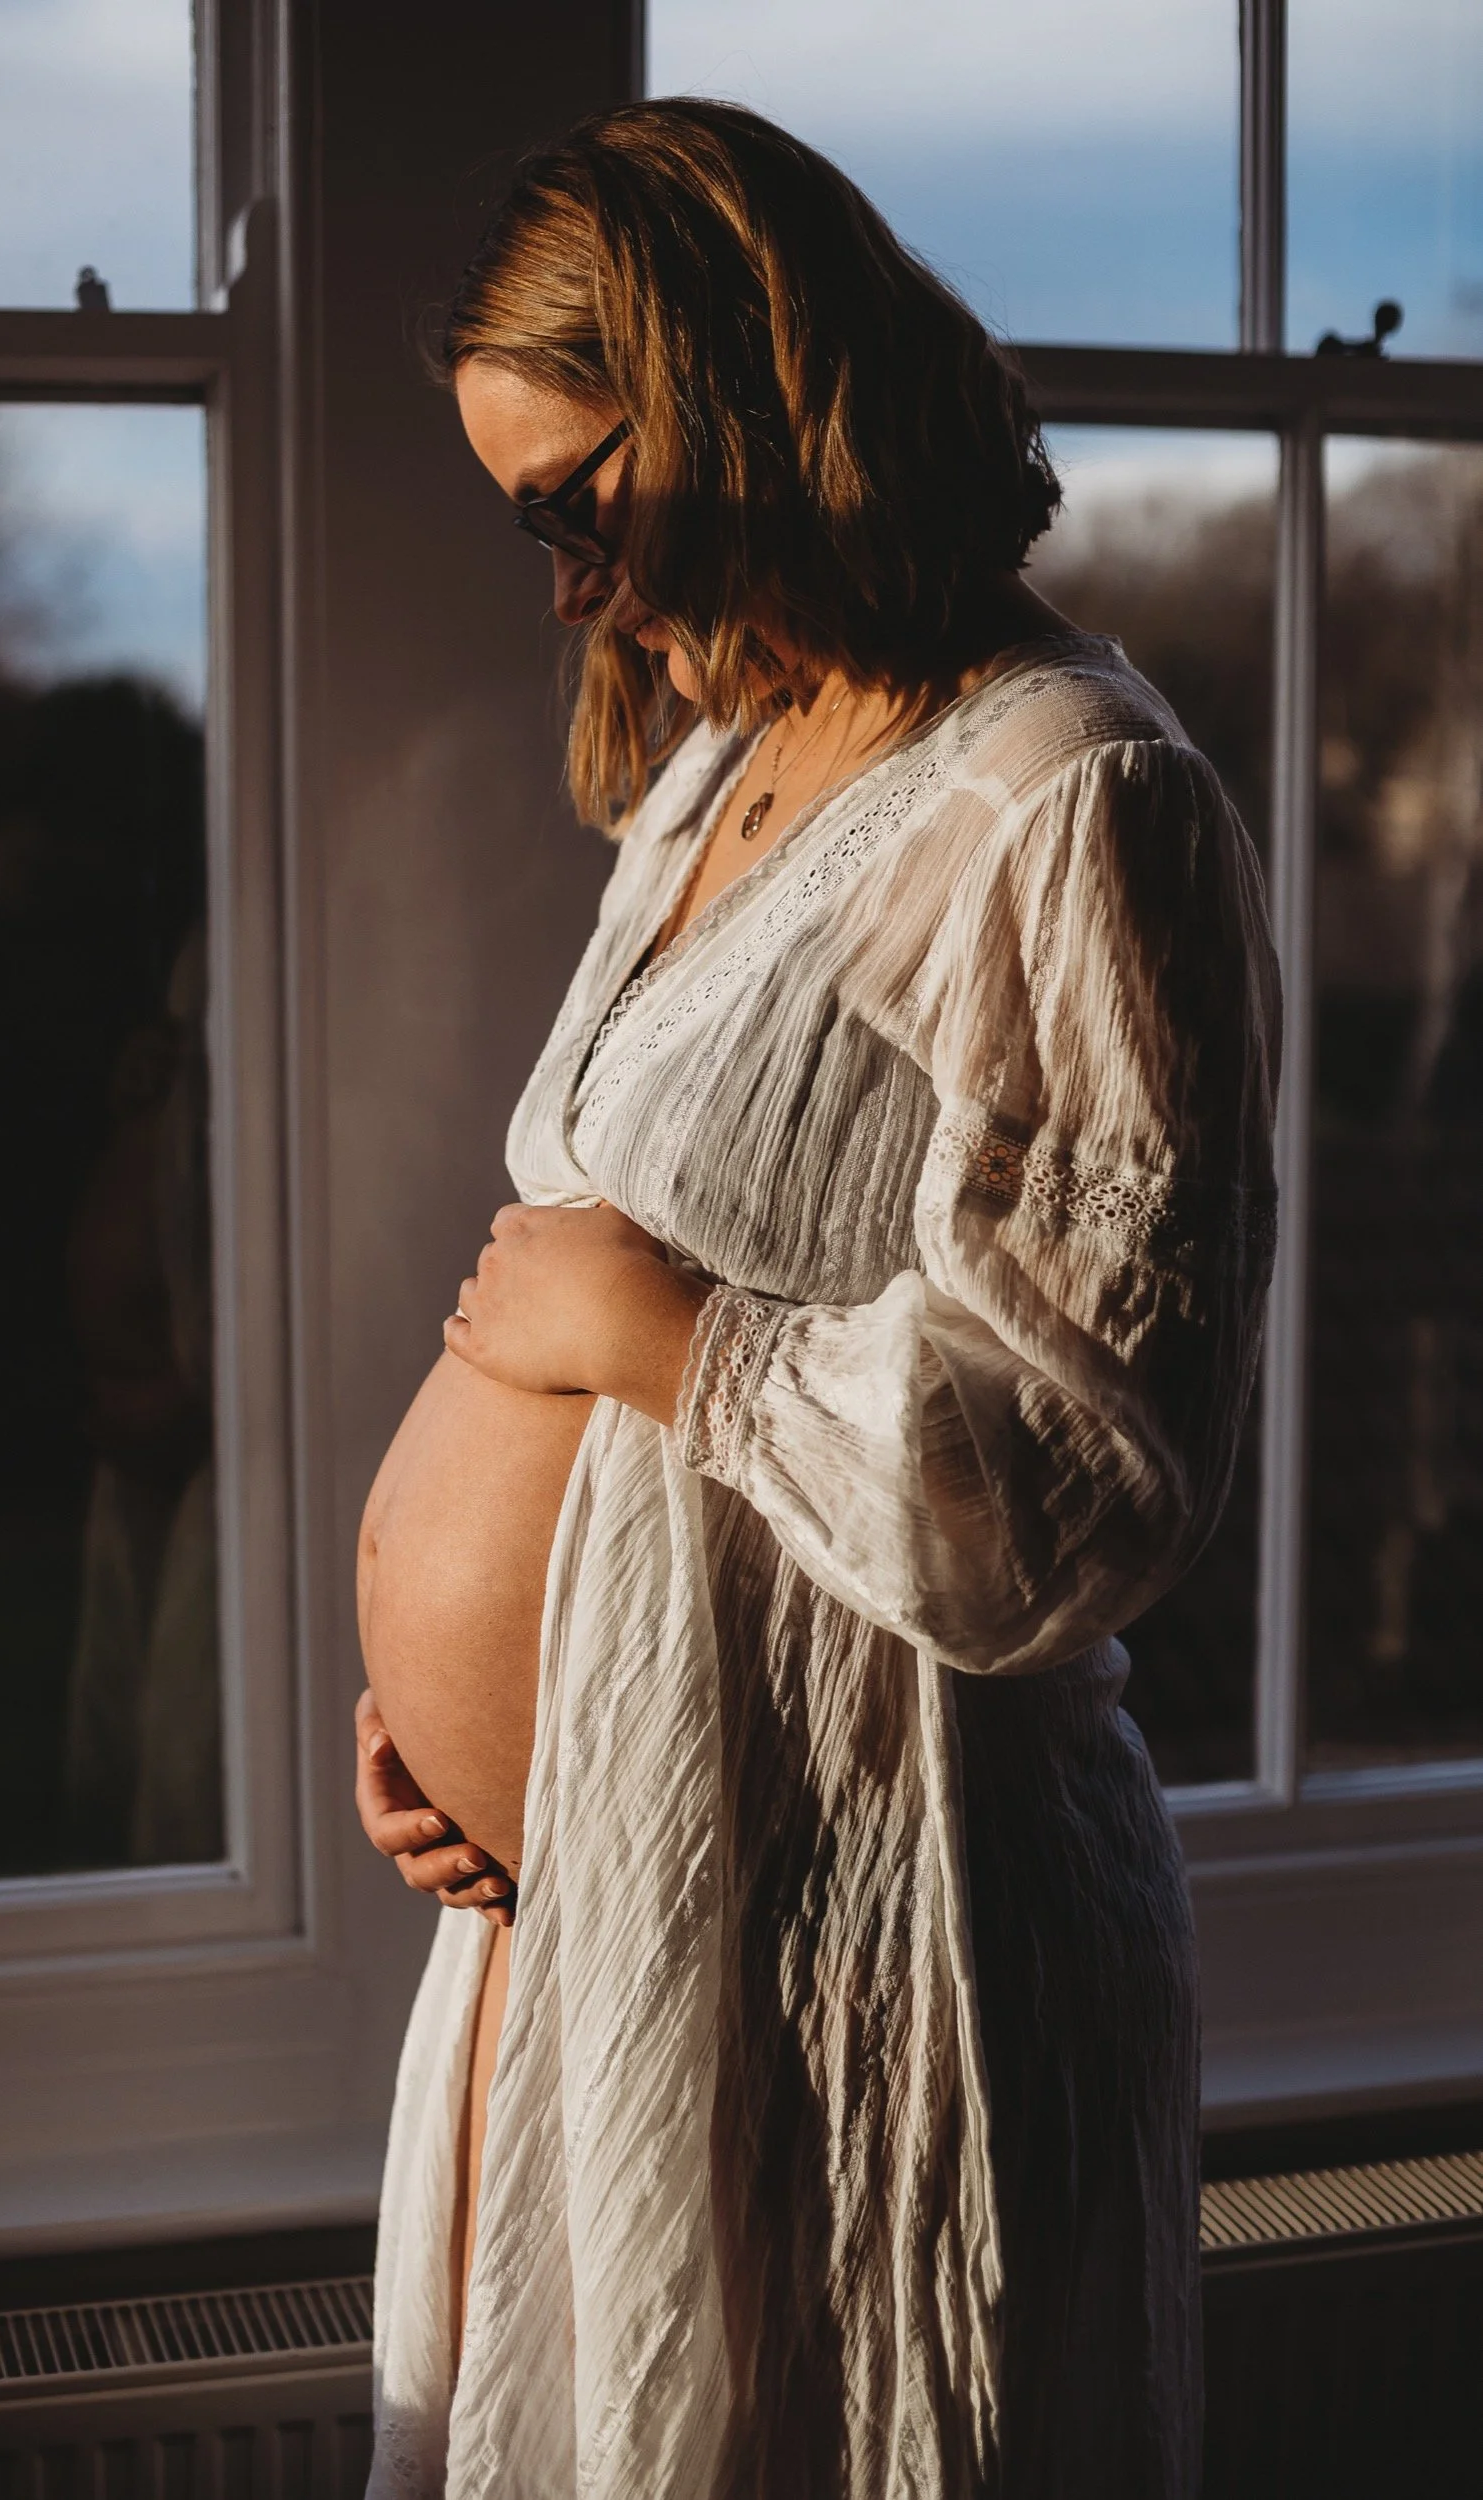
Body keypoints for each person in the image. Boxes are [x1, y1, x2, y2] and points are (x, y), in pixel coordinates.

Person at [354, 99, 1279, 2500]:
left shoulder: (1068, 795)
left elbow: (1090, 1477)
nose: (560, 577)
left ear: (749, 382)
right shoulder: (718, 769)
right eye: (518, 517)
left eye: (583, 491)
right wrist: (458, 1737)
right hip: (622, 1914)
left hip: (881, 1948)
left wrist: (674, 1340)